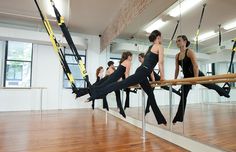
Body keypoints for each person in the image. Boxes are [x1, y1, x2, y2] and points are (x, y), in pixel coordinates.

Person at [88, 30, 167, 125]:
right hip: (142, 73)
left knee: (151, 94)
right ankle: (95, 95)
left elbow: (148, 64)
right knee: (120, 84)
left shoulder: (150, 48)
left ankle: (161, 119)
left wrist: (153, 79)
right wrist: (162, 77)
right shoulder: (160, 47)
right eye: (160, 37)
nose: (161, 39)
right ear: (158, 37)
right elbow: (161, 62)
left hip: (142, 71)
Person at [172, 35, 230, 124]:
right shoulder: (177, 55)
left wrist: (196, 79)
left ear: (185, 41)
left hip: (197, 74)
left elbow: (195, 66)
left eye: (179, 40)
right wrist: (175, 80)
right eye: (176, 41)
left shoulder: (189, 52)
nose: (177, 42)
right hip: (187, 77)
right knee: (183, 96)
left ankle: (224, 92)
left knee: (210, 86)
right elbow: (176, 69)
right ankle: (178, 118)